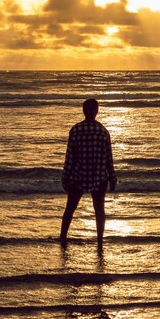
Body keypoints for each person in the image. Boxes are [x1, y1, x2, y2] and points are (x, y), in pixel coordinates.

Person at [60, 98, 117, 248]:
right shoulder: (103, 131)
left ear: (83, 111)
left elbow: (70, 157)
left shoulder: (75, 130)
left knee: (70, 209)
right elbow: (108, 159)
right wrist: (112, 177)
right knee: (99, 210)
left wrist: (65, 177)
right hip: (99, 177)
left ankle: (63, 238)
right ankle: (99, 241)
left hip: (78, 176)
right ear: (97, 112)